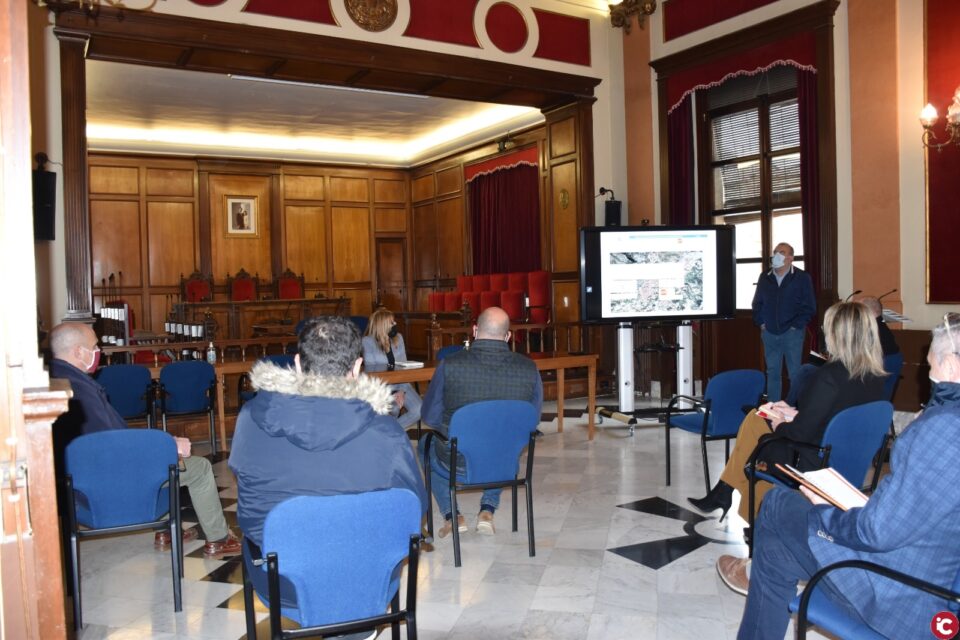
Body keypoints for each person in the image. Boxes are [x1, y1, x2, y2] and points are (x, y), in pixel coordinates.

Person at [723, 313, 960, 640]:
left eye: (931, 366)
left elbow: (877, 533)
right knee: (776, 554)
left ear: (950, 366)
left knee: (778, 504)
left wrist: (828, 511)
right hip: (929, 565)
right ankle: (754, 570)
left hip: (899, 593)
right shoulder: (880, 382)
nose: (928, 378)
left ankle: (744, 538)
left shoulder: (943, 430)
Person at [228, 315, 427, 551]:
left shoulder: (251, 417)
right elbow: (414, 505)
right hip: (366, 571)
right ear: (356, 368)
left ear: (298, 364)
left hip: (281, 572)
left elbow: (247, 498)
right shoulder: (387, 431)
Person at [49, 322, 241, 558]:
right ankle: (219, 539)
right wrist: (167, 446)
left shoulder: (55, 383)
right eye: (94, 345)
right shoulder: (81, 392)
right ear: (79, 352)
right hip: (114, 487)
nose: (99, 351)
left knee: (166, 464)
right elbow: (116, 446)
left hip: (81, 488)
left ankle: (167, 531)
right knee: (198, 468)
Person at [688, 302, 887, 526]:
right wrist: (793, 412)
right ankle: (725, 492)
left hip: (814, 459)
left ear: (836, 333)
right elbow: (839, 417)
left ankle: (754, 516)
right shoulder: (876, 376)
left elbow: (799, 433)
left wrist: (780, 423)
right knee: (756, 419)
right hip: (849, 459)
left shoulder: (829, 375)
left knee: (760, 445)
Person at [420, 306, 542, 538]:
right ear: (507, 336)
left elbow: (430, 417)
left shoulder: (450, 365)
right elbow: (532, 419)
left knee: (425, 445)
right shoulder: (529, 368)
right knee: (499, 441)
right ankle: (487, 510)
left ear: (474, 331)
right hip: (504, 461)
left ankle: (452, 516)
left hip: (458, 461)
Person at [752, 242, 817, 402]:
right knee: (772, 373)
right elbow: (757, 303)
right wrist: (761, 323)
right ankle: (773, 410)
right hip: (769, 333)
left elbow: (809, 306)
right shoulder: (765, 277)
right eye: (775, 252)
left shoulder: (802, 277)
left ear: (790, 258)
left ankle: (794, 409)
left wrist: (796, 326)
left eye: (781, 252)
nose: (776, 255)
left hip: (792, 333)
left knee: (794, 373)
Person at [362, 308, 422, 429]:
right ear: (382, 325)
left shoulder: (398, 338)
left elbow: (404, 366)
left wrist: (401, 391)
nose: (395, 324)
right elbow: (372, 372)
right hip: (380, 387)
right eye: (392, 322)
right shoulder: (367, 342)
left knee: (419, 409)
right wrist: (390, 393)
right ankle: (390, 434)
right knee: (394, 409)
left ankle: (390, 432)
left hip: (402, 384)